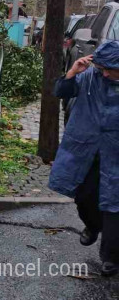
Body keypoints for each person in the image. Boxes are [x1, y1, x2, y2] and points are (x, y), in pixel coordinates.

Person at [49, 40, 119, 277]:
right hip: (86, 148)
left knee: (114, 205)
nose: (106, 72)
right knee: (84, 197)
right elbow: (61, 92)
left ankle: (110, 257)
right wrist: (71, 73)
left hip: (115, 152)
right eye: (102, 67)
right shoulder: (91, 76)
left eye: (111, 68)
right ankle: (93, 225)